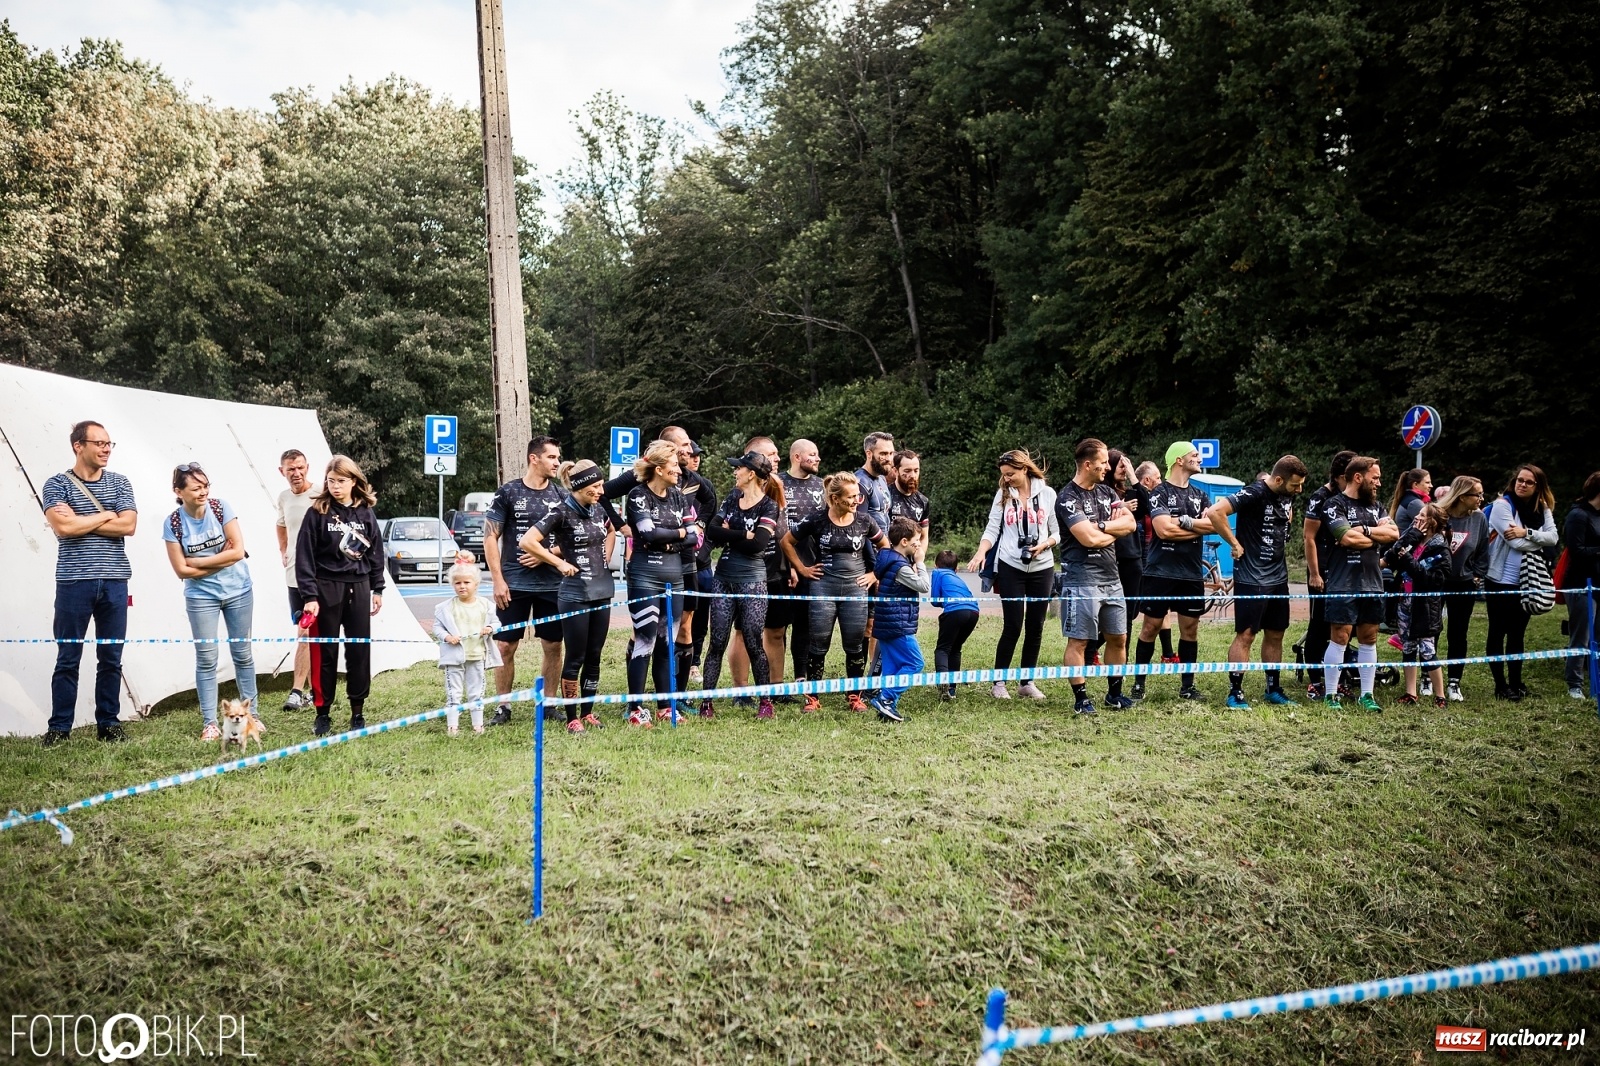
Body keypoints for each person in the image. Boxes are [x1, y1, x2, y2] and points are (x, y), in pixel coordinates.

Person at [41, 420, 138, 747]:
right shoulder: (57, 484)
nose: (107, 449)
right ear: (78, 446)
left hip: (115, 581)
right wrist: (107, 515)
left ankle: (108, 723)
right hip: (73, 582)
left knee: (111, 657)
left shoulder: (120, 482)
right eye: (100, 443)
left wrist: (81, 520)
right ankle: (59, 728)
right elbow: (63, 528)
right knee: (68, 657)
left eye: (109, 444)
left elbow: (129, 525)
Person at [163, 462, 258, 742]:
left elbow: (238, 552)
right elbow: (181, 571)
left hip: (239, 590)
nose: (203, 492)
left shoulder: (221, 507)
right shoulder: (173, 523)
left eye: (206, 486)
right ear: (178, 492)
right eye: (196, 488)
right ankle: (210, 724)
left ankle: (252, 716)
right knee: (206, 659)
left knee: (243, 654)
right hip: (200, 596)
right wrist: (221, 560)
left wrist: (198, 562)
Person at [1206, 455, 1309, 708]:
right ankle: (1235, 692)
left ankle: (1273, 689)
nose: (1299, 490)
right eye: (1295, 485)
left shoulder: (1287, 495)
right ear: (1278, 480)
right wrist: (1234, 543)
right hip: (1251, 577)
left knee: (1276, 633)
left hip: (1278, 576)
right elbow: (1215, 512)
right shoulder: (1254, 492)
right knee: (1247, 634)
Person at [521, 460, 615, 733]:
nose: (601, 491)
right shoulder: (561, 511)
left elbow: (611, 530)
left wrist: (605, 557)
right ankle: (572, 716)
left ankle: (588, 712)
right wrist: (558, 562)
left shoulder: (598, 508)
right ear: (581, 486)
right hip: (575, 593)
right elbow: (527, 541)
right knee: (576, 656)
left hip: (602, 590)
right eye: (596, 486)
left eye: (601, 485)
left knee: (595, 655)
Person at [295, 455, 385, 736]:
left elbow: (376, 553)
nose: (335, 486)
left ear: (354, 481)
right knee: (325, 652)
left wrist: (378, 588)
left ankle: (357, 711)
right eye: (331, 481)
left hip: (358, 587)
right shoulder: (317, 512)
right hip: (326, 588)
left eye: (341, 481)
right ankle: (322, 713)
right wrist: (310, 596)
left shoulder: (365, 513)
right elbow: (304, 557)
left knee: (359, 651)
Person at [785, 471, 887, 712]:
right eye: (851, 497)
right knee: (818, 644)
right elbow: (786, 542)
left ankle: (855, 696)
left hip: (856, 589)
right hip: (823, 588)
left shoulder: (864, 520)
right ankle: (812, 697)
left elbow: (885, 547)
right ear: (835, 498)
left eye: (858, 496)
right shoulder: (817, 519)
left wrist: (875, 574)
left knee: (854, 644)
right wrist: (803, 569)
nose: (856, 501)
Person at [484, 436, 566, 725]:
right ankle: (503, 707)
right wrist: (497, 580)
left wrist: (546, 555)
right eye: (552, 457)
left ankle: (549, 704)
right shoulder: (508, 492)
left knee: (553, 645)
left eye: (558, 457)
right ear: (534, 458)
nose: (557, 463)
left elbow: (574, 539)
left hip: (552, 585)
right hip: (513, 584)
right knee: (505, 646)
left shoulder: (561, 496)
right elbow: (490, 537)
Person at [966, 449, 1059, 701]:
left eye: (1010, 474)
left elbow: (1057, 532)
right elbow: (992, 529)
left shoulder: (1048, 494)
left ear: (1024, 469)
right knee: (1013, 625)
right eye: (1004, 475)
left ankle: (1027, 682)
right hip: (1010, 567)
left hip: (1042, 567)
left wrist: (1045, 544)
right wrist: (981, 552)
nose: (1006, 479)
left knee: (1036, 626)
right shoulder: (1003, 494)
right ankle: (999, 682)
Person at [1056, 438, 1138, 716]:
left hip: (1112, 578)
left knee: (1118, 638)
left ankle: (1114, 694)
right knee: (1079, 641)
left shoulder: (1107, 492)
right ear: (1088, 465)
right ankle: (1081, 699)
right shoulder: (1067, 498)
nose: (1108, 467)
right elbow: (1088, 539)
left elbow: (1130, 523)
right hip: (1081, 580)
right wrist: (1111, 531)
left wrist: (1101, 525)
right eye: (1103, 462)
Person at [622, 440, 698, 726]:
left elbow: (694, 537)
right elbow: (648, 534)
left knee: (667, 643)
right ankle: (635, 709)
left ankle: (666, 706)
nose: (679, 470)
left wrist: (671, 540)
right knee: (645, 641)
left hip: (674, 578)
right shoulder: (638, 495)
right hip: (644, 577)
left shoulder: (678, 496)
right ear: (658, 469)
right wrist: (678, 535)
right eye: (675, 465)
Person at [699, 451, 781, 720]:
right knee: (717, 642)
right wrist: (743, 533)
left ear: (752, 474)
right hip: (723, 577)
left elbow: (758, 544)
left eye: (739, 469)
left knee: (754, 642)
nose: (735, 472)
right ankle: (706, 703)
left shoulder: (769, 506)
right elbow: (712, 531)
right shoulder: (733, 497)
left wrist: (731, 534)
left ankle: (765, 702)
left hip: (753, 581)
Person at [1131, 442, 1215, 702]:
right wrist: (1195, 526)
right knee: (1151, 627)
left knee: (1190, 629)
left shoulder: (1201, 495)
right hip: (1160, 572)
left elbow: (1213, 525)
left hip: (1191, 573)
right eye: (1194, 455)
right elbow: (1163, 530)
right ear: (1179, 460)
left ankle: (1187, 687)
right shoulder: (1160, 492)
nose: (1199, 458)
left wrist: (1185, 522)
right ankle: (1138, 685)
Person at [1318, 456, 1400, 711]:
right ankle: (1331, 695)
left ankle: (1367, 695)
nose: (1378, 483)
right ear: (1358, 477)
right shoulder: (1334, 504)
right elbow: (1346, 539)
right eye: (1375, 478)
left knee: (1369, 637)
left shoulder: (1377, 507)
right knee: (1340, 637)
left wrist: (1364, 531)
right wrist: (1375, 534)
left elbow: (1394, 534)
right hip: (1343, 582)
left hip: (1373, 583)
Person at [1485, 464, 1558, 700]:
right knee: (1497, 632)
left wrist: (1526, 533)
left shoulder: (1542, 508)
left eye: (1528, 482)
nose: (1522, 485)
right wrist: (1539, 540)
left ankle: (1516, 683)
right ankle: (1500, 685)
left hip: (1528, 580)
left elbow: (1554, 538)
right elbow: (1514, 543)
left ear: (1538, 486)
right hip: (1500, 580)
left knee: (1517, 634)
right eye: (1519, 480)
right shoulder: (1502, 506)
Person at [1301, 450, 1357, 699]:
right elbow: (1309, 538)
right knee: (1319, 625)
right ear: (1340, 476)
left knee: (1343, 625)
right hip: (1322, 571)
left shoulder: (1353, 497)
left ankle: (1338, 677)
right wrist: (1314, 573)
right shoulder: (1320, 497)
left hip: (1346, 571)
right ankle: (1315, 680)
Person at [1383, 505, 1451, 708]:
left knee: (1428, 650)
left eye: (1422, 515)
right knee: (1408, 647)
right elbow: (1391, 556)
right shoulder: (1413, 539)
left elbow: (1435, 579)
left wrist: (1407, 559)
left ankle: (1440, 695)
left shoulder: (1440, 548)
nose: (1416, 517)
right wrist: (1409, 537)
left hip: (1425, 606)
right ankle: (1410, 693)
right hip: (1405, 602)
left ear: (1432, 522)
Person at [775, 438, 826, 692]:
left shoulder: (821, 485)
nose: (817, 459)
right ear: (797, 457)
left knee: (805, 624)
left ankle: (800, 675)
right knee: (778, 627)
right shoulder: (779, 483)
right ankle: (775, 679)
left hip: (813, 566)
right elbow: (776, 527)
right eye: (812, 454)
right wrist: (789, 566)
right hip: (782, 567)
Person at [869, 518, 931, 723]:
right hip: (898, 625)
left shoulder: (889, 559)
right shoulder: (900, 566)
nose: (919, 545)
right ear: (904, 542)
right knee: (915, 663)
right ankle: (886, 698)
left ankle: (887, 708)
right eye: (916, 540)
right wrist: (920, 562)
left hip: (887, 622)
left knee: (892, 667)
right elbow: (924, 586)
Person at [431, 553, 499, 736]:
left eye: (466, 582)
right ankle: (452, 725)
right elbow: (437, 627)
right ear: (452, 584)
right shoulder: (445, 608)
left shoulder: (486, 605)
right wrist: (447, 637)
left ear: (476, 584)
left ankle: (478, 724)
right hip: (454, 657)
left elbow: (497, 623)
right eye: (458, 583)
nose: (462, 586)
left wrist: (489, 628)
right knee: (454, 692)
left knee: (476, 692)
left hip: (477, 655)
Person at [1439, 475, 1491, 701]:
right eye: (1477, 494)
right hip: (1436, 581)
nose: (1481, 498)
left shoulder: (1479, 518)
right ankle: (1427, 677)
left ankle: (1454, 681)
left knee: (1458, 633)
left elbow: (1483, 550)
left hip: (1464, 582)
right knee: (1431, 630)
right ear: (1461, 496)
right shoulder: (1438, 514)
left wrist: (1477, 575)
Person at [275, 449, 318, 711]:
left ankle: (297, 690)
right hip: (293, 575)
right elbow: (281, 524)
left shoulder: (321, 493)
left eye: (300, 467)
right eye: (291, 469)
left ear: (307, 467)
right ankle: (313, 691)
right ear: (282, 471)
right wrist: (284, 550)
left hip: (318, 575)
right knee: (305, 632)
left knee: (308, 631)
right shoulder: (283, 497)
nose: (296, 473)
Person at [1133, 460, 1176, 662]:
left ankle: (1168, 654)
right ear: (1147, 480)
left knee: (1162, 609)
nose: (1161, 480)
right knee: (1133, 612)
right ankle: (1092, 650)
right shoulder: (1141, 499)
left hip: (1158, 560)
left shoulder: (1160, 498)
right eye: (1158, 477)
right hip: (1143, 560)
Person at [1562, 472, 1600, 699]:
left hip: (1599, 584)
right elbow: (1576, 551)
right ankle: (1574, 684)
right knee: (1581, 637)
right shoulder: (1578, 515)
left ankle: (1596, 680)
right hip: (1581, 584)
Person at [1384, 468, 1433, 635]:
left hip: (1403, 550)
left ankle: (1394, 619)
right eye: (1427, 482)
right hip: (1406, 552)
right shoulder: (1415, 503)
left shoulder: (1409, 500)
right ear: (1415, 484)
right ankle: (1396, 621)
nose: (1431, 486)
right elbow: (1432, 525)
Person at [930, 550, 979, 700]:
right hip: (974, 611)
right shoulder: (957, 578)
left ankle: (943, 683)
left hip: (955, 611)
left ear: (936, 565)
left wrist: (944, 602)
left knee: (942, 649)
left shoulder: (937, 573)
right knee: (955, 648)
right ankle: (951, 688)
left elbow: (934, 600)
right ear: (956, 569)